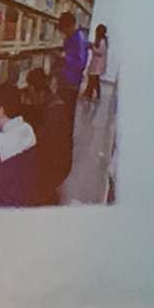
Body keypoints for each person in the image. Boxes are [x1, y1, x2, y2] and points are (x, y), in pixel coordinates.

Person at [23, 68, 70, 205]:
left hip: (53, 170)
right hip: (61, 166)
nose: (30, 99)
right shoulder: (56, 103)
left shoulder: (52, 114)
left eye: (30, 94)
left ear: (35, 90)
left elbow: (39, 146)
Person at [54, 11, 88, 181]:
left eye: (64, 30)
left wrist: (65, 58)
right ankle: (60, 147)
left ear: (70, 25)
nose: (63, 33)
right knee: (63, 116)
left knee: (67, 118)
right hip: (65, 82)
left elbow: (81, 63)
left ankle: (64, 154)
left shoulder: (78, 39)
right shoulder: (71, 38)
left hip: (71, 85)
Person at [83, 23, 108, 102]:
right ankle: (91, 95)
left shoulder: (102, 41)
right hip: (96, 63)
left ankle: (88, 94)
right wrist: (92, 45)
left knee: (92, 79)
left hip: (98, 64)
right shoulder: (100, 40)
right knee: (95, 80)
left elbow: (100, 52)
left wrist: (92, 47)